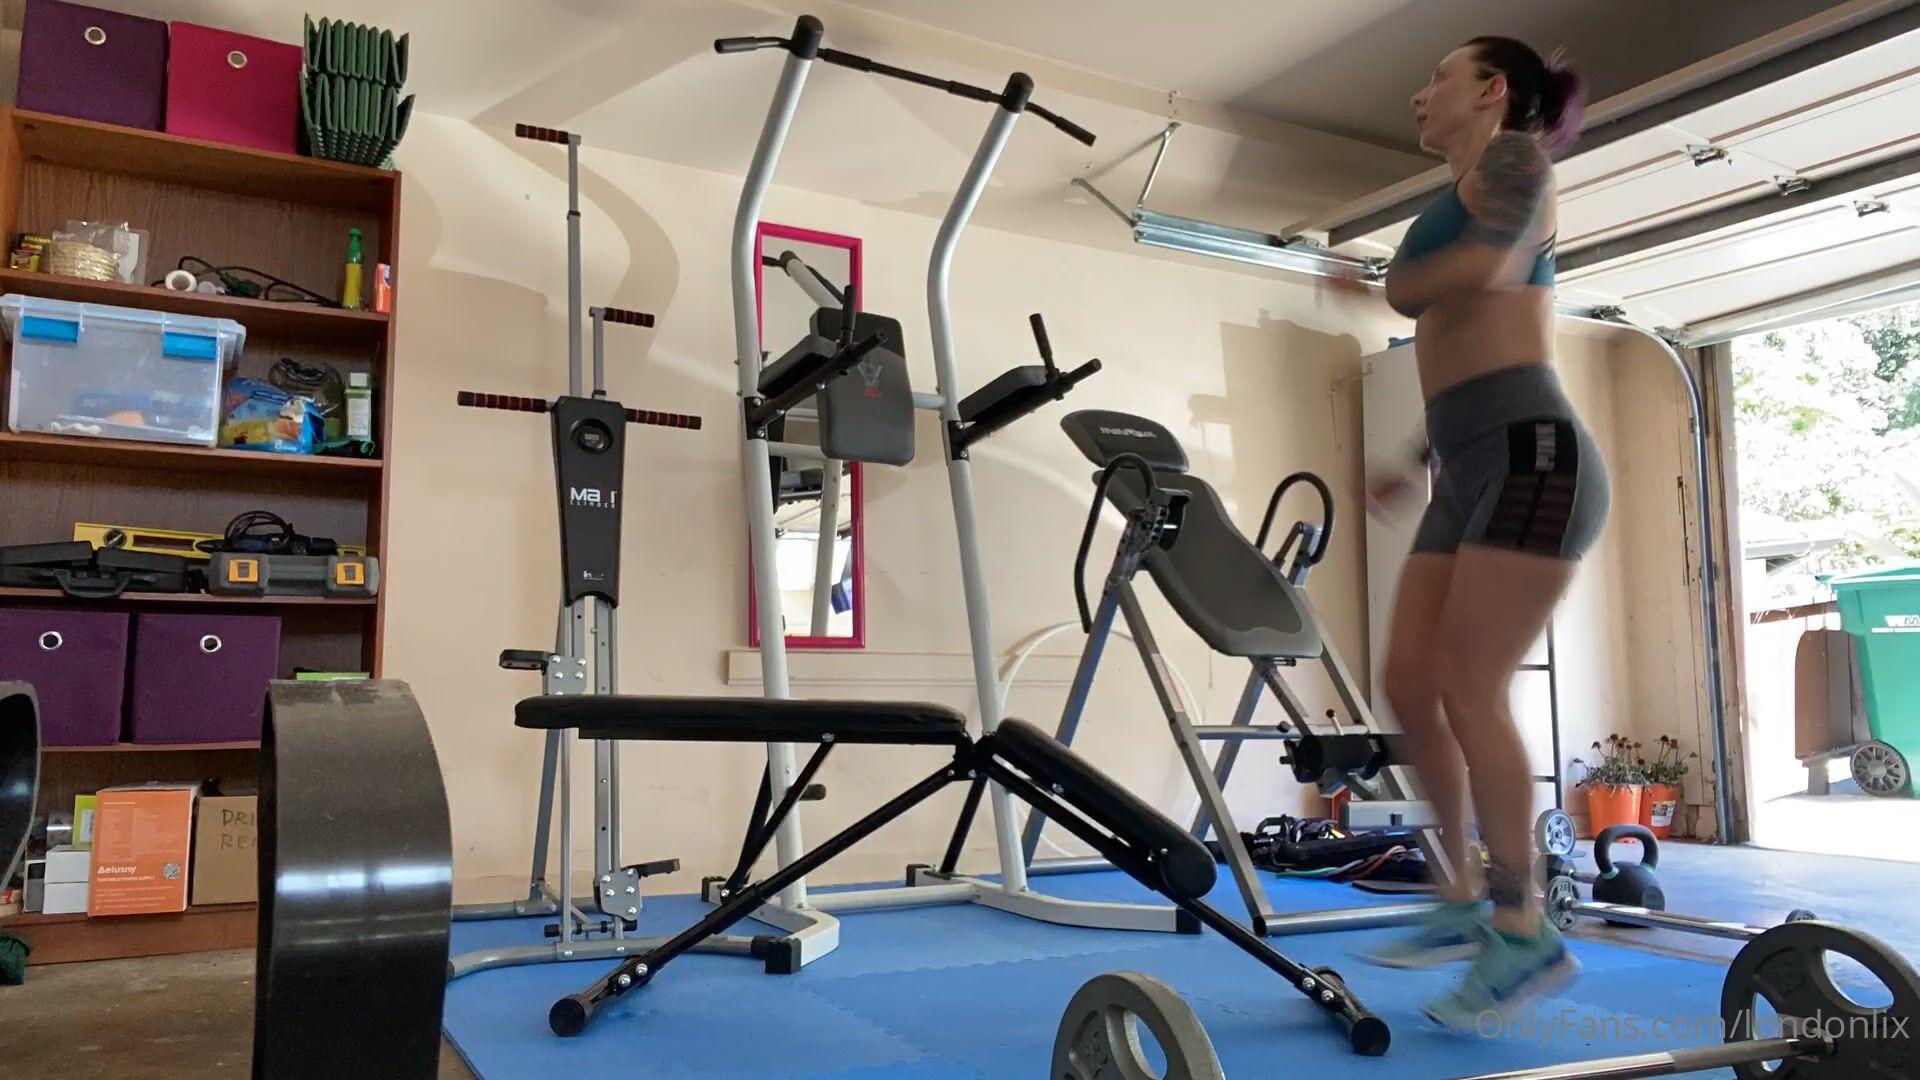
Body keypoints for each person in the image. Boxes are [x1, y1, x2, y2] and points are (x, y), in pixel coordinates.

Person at [1352, 37, 1610, 1028]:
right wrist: (1414, 453)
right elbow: (1476, 339)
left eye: (1439, 77)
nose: (1421, 94)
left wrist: (1395, 286)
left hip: (1534, 457)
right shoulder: (1467, 185)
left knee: (1469, 688)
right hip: (1469, 465)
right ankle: (1458, 895)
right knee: (1408, 681)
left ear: (1492, 90)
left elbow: (1487, 271)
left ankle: (1520, 926)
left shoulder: (1513, 159)